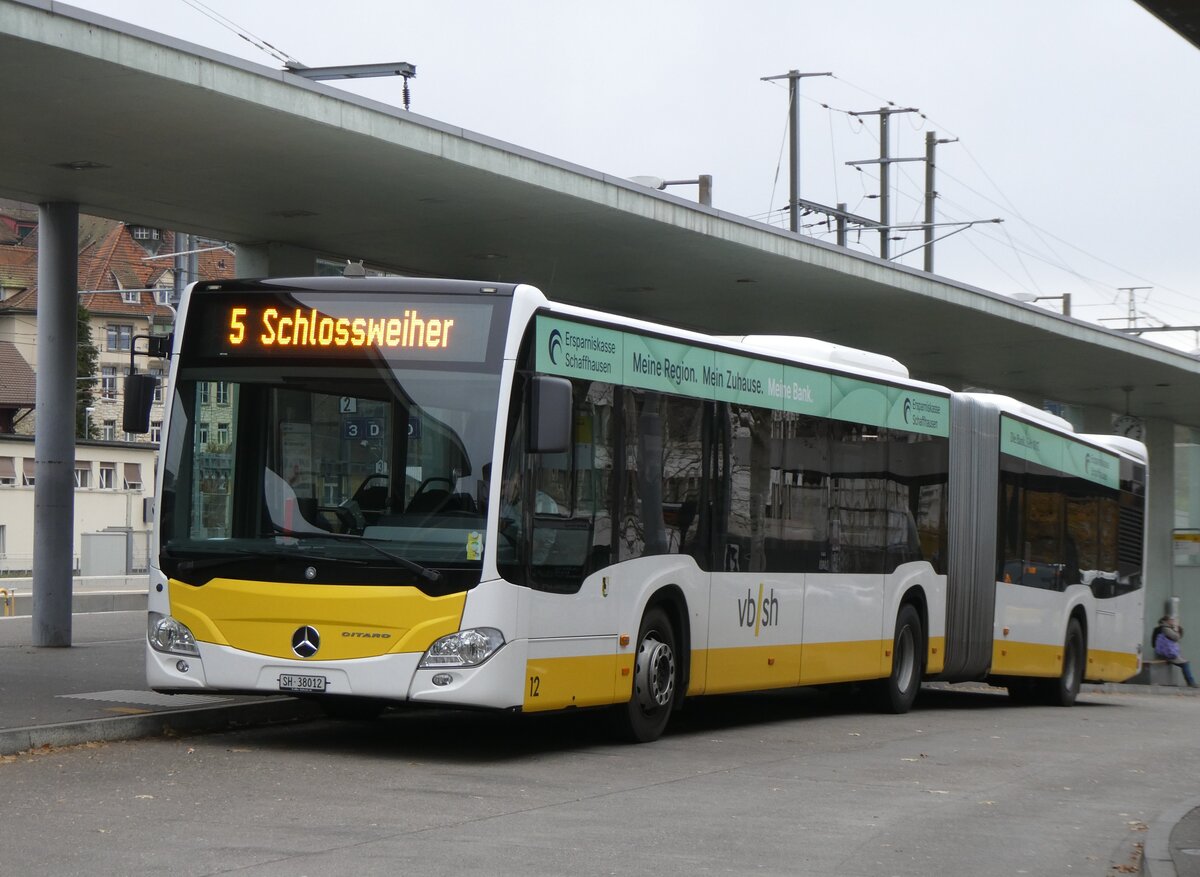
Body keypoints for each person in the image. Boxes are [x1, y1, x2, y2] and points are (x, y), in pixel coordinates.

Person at [1152, 615, 1198, 688]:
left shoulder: (1157, 629)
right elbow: (1176, 637)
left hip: (1161, 653)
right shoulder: (1166, 629)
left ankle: (1191, 682)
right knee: (1185, 663)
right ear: (1165, 621)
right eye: (1171, 620)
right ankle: (1191, 682)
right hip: (1168, 654)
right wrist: (1178, 630)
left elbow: (1153, 644)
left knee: (1183, 662)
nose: (1172, 621)